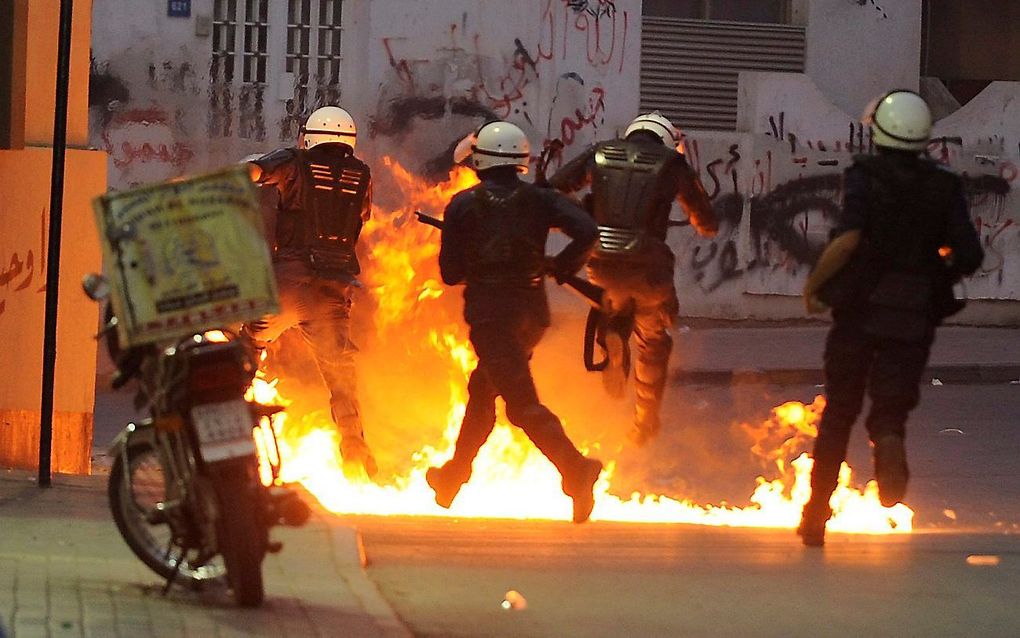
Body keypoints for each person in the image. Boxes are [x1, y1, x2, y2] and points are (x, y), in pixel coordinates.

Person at [798, 90, 984, 546]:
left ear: (878, 134)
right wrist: (936, 272)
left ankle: (816, 516)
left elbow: (848, 238)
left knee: (839, 411)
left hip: (860, 308)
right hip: (913, 313)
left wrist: (816, 286)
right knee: (890, 406)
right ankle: (887, 437)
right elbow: (970, 253)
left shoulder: (865, 177)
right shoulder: (944, 185)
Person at [425, 120, 604, 523]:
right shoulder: (541, 200)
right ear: (520, 161)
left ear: (479, 161)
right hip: (531, 313)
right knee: (483, 388)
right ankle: (452, 476)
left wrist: (477, 255)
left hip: (492, 316)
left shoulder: (463, 205)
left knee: (521, 407)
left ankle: (577, 470)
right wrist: (562, 263)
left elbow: (451, 273)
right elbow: (588, 230)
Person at [549, 112, 718, 445]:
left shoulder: (600, 152)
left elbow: (553, 190)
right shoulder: (672, 164)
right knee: (654, 340)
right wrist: (699, 220)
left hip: (599, 263)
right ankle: (644, 421)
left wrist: (583, 218)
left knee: (615, 301)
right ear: (668, 140)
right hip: (649, 268)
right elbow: (707, 222)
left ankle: (614, 333)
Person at [244, 105, 377, 480]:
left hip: (289, 282)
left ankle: (231, 446)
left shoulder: (295, 162)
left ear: (310, 137)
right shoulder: (362, 176)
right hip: (334, 292)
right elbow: (360, 224)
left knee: (247, 352)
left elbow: (256, 173)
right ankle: (354, 448)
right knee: (339, 376)